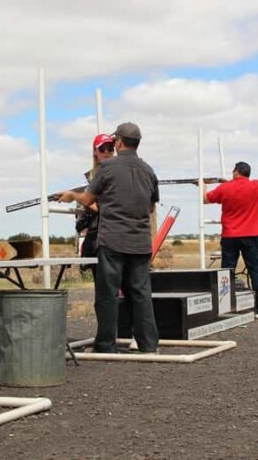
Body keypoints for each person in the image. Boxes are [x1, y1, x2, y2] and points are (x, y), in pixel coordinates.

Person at [56, 122, 159, 354]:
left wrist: (72, 195)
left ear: (119, 142)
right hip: (141, 242)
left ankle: (105, 345)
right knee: (141, 294)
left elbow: (88, 199)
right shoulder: (149, 170)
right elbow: (151, 207)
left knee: (107, 295)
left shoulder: (107, 168)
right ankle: (149, 344)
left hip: (113, 241)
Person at [200, 161, 258, 313]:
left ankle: (225, 306)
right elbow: (243, 187)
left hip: (230, 235)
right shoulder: (257, 186)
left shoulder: (225, 188)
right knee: (255, 270)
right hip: (250, 235)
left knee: (226, 272)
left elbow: (205, 199)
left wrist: (203, 186)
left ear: (236, 172)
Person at [75, 133, 115, 280]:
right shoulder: (87, 178)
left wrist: (79, 198)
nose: (106, 152)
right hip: (96, 236)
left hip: (115, 236)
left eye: (110, 148)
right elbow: (84, 206)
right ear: (95, 151)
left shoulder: (118, 174)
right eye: (102, 148)